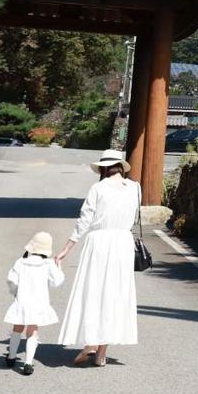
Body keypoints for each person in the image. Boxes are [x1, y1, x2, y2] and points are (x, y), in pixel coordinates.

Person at [54, 148, 141, 366]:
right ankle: (101, 353)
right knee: (115, 295)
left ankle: (91, 343)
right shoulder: (135, 188)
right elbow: (134, 217)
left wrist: (66, 248)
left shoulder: (98, 188)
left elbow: (84, 221)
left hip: (100, 242)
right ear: (121, 167)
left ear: (103, 168)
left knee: (94, 292)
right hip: (123, 242)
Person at [4, 231, 64, 376]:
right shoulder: (48, 264)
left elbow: (12, 280)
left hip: (22, 301)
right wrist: (59, 267)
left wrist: (15, 292)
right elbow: (57, 282)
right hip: (38, 303)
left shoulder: (21, 262)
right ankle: (28, 363)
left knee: (17, 328)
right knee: (33, 331)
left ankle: (11, 357)